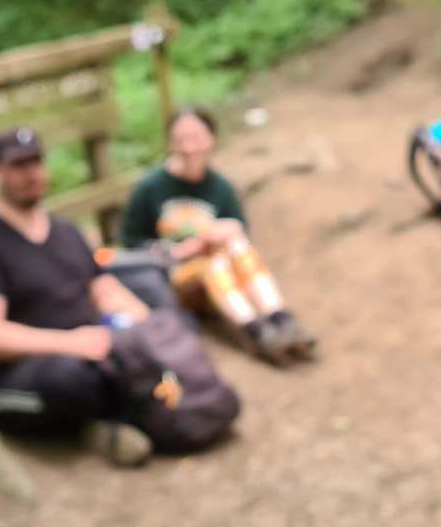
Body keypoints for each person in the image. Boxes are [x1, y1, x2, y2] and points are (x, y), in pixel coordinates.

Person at [0, 126, 156, 466]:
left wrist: (139, 319)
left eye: (35, 162)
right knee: (72, 378)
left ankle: (117, 416)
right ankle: (91, 427)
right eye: (19, 166)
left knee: (151, 331)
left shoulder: (66, 232)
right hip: (16, 380)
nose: (31, 174)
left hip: (87, 349)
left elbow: (103, 289)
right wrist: (70, 343)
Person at [120, 106, 317, 365]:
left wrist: (227, 232)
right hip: (174, 276)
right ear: (170, 143)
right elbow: (131, 243)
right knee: (213, 263)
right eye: (181, 139)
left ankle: (279, 318)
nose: (190, 147)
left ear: (211, 139)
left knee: (234, 246)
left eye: (197, 138)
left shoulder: (221, 188)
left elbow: (242, 238)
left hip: (220, 273)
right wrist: (181, 250)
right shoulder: (150, 189)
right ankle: (255, 331)